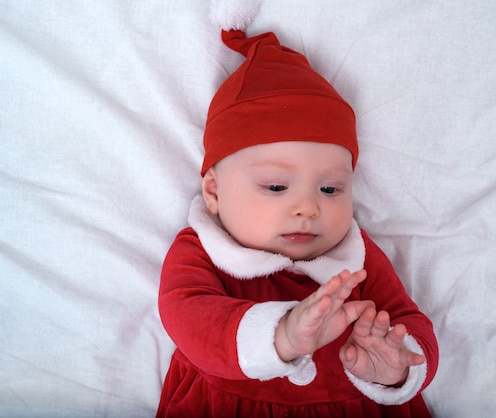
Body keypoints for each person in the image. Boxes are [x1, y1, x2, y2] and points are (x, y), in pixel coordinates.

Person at [157, 28, 439, 417]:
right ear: (215, 192)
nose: (308, 207)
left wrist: (396, 363)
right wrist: (282, 335)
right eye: (275, 186)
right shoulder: (202, 251)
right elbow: (187, 318)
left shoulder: (355, 259)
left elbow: (407, 318)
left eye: (330, 189)